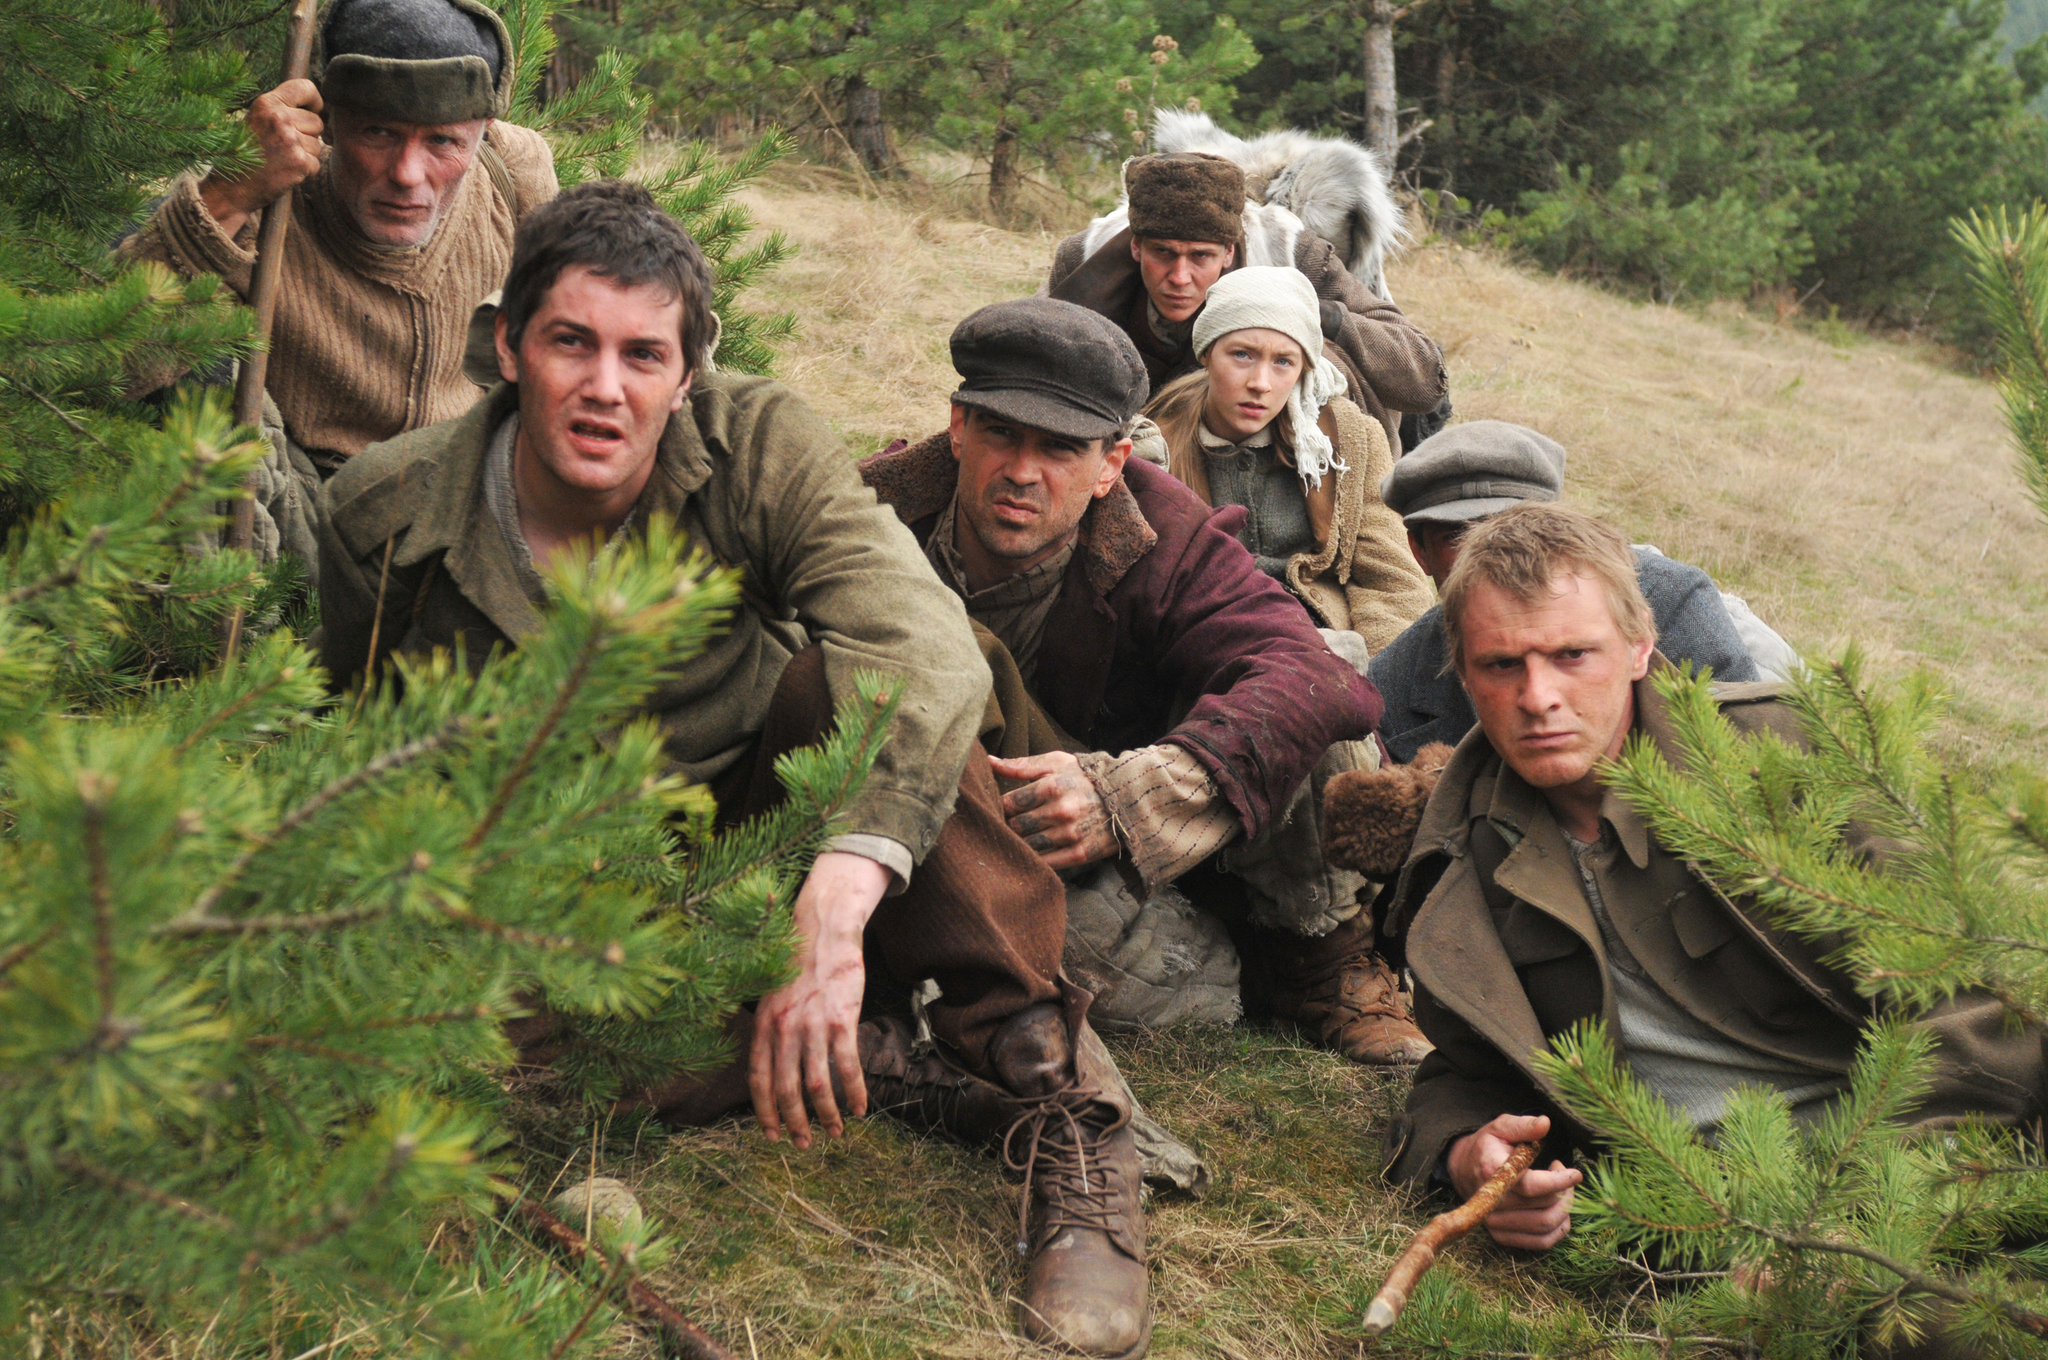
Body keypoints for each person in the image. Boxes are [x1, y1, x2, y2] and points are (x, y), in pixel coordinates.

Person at [316, 181, 1150, 1359]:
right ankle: (861, 1058)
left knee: (846, 693)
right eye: (570, 343)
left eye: (642, 353)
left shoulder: (754, 444)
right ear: (506, 346)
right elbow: (358, 759)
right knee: (505, 1091)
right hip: (559, 893)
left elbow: (920, 642)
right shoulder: (384, 516)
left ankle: (1063, 1108)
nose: (606, 387)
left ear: (687, 368)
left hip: (768, 831)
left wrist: (839, 885)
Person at [1361, 504, 2042, 1296]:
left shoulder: (1784, 759)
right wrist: (1469, 1157)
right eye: (1502, 664)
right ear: (1462, 671)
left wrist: (1870, 1208)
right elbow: (1470, 1069)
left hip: (1937, 1153)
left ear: (1642, 647)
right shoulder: (1455, 854)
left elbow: (1969, 1003)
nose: (1538, 696)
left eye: (1573, 654)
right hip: (1709, 1223)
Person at [859, 297, 1432, 1068]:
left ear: (1111, 467)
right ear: (958, 429)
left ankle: (1320, 960)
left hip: (1124, 815)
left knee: (1315, 699)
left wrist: (1125, 796)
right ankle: (1245, 966)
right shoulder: (868, 515)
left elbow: (1318, 679)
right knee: (1186, 995)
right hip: (956, 822)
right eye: (1001, 434)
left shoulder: (1165, 533)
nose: (1023, 473)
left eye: (1062, 449)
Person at [124, 0, 557, 575]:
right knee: (201, 373)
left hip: (457, 513)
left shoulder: (513, 176)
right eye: (378, 132)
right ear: (328, 123)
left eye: (443, 143)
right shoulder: (260, 195)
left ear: (484, 133)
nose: (407, 174)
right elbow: (105, 367)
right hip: (298, 523)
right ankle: (241, 651)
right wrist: (228, 194)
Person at [1369, 421, 1760, 764]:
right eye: (1457, 535)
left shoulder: (1671, 600)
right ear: (1419, 553)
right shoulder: (1395, 682)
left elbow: (1751, 753)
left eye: (1511, 526)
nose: (1488, 549)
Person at [1045, 151, 1448, 455]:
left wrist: (1316, 315)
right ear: (1136, 247)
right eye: (1163, 253)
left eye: (1200, 256)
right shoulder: (1083, 267)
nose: (1180, 277)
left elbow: (1424, 380)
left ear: (1229, 253)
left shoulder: (1296, 257)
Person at [1143, 265, 1433, 655]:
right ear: (1207, 353)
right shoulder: (1157, 442)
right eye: (1242, 355)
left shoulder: (1346, 439)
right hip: (1203, 644)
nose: (1260, 383)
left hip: (1329, 645)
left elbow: (1392, 580)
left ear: (1302, 370)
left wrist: (1378, 676)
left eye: (1283, 362)